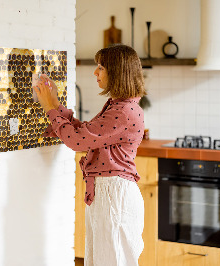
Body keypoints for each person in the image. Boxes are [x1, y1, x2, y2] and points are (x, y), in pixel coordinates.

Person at [34, 44, 146, 266]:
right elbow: (85, 133)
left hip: (114, 195)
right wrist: (55, 104)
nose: (95, 72)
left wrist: (49, 107)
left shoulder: (123, 111)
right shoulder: (119, 106)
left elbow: (77, 141)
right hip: (109, 193)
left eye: (101, 67)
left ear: (117, 72)